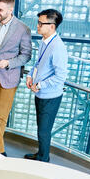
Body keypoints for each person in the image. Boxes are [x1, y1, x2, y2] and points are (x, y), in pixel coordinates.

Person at [0, 0, 32, 156]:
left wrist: (8, 63)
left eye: (0, 9)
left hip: (10, 76)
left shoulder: (23, 29)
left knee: (2, 116)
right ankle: (0, 150)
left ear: (10, 10)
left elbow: (26, 55)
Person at [24, 9, 68, 162]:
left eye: (41, 23)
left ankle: (43, 160)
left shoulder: (58, 47)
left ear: (52, 26)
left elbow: (60, 76)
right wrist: (30, 75)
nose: (38, 26)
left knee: (44, 131)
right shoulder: (44, 42)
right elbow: (38, 63)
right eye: (38, 22)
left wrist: (40, 85)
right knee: (41, 129)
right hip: (40, 93)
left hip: (50, 96)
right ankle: (41, 154)